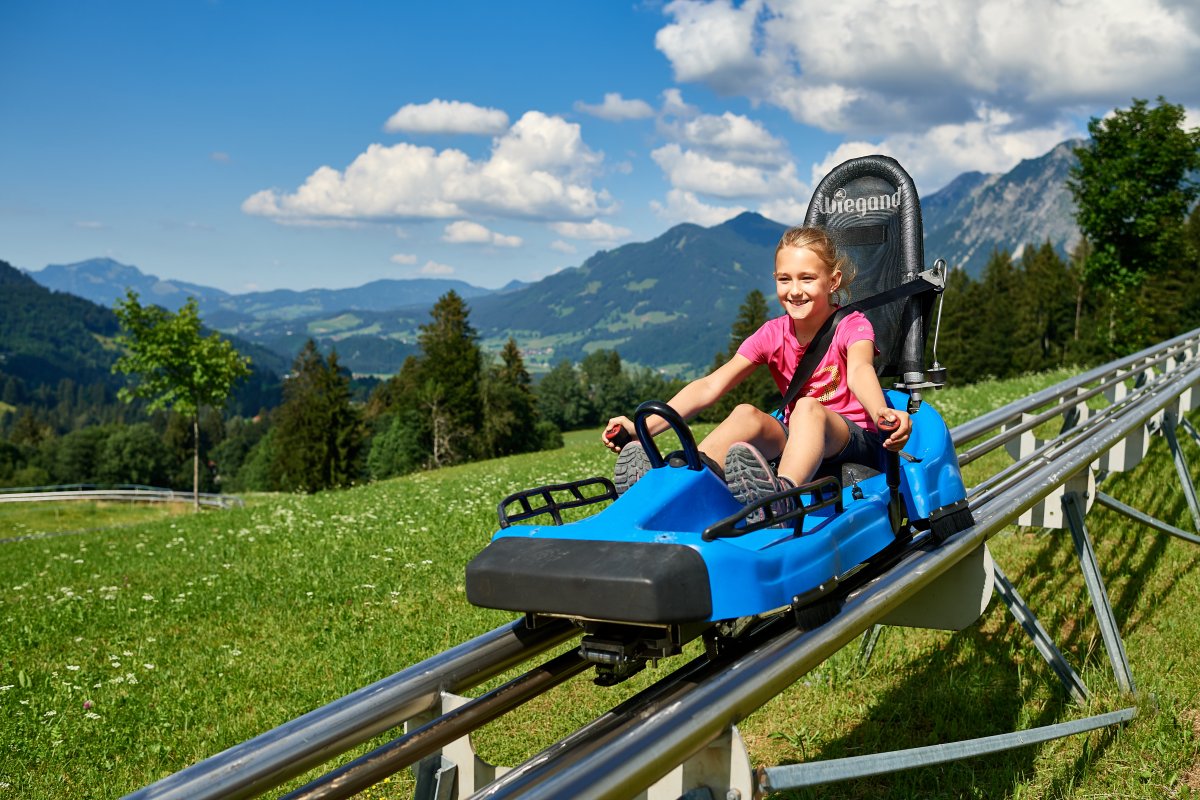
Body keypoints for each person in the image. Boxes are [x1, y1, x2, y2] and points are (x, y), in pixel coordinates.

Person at [601, 225, 911, 515]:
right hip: (798, 436)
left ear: (832, 281)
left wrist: (881, 412)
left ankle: (783, 500)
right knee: (745, 414)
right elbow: (710, 386)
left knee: (806, 408)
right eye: (784, 279)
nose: (794, 290)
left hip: (853, 440)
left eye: (807, 278)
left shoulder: (852, 325)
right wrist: (639, 428)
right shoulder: (772, 334)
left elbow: (859, 371)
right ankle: (687, 481)